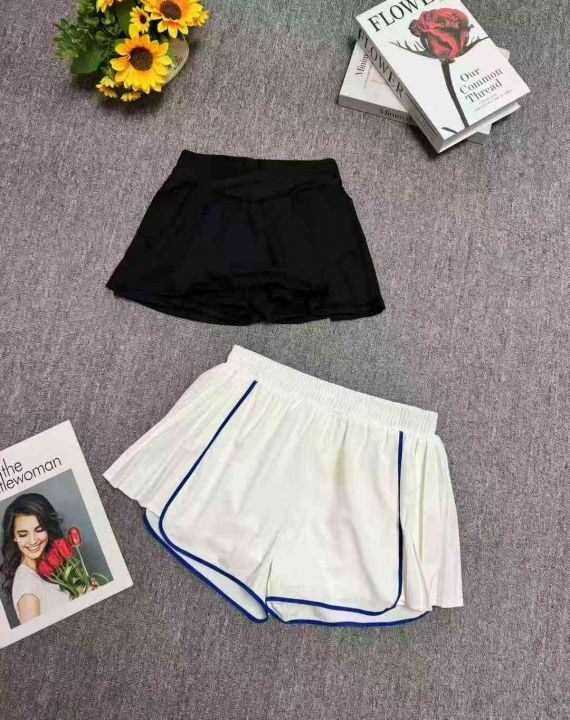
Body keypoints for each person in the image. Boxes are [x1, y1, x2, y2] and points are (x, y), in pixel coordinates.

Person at [0, 493, 72, 624]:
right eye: (23, 534)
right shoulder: (27, 585)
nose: (33, 541)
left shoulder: (49, 567)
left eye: (39, 530)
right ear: (14, 537)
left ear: (48, 528)